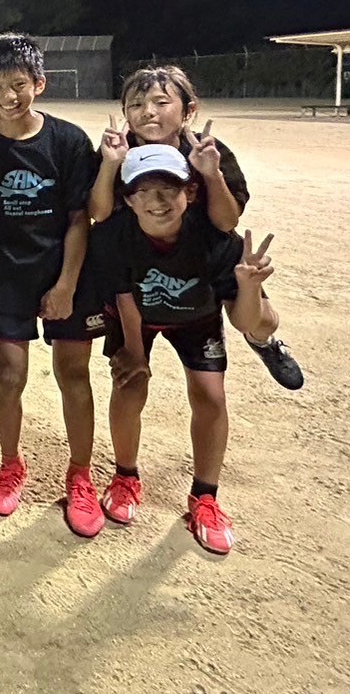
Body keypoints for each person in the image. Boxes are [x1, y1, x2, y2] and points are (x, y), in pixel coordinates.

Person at [97, 145, 282, 554]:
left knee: (211, 397)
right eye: (143, 191)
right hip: (138, 316)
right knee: (128, 387)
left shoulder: (217, 241)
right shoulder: (114, 233)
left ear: (191, 193)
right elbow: (123, 293)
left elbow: (242, 321)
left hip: (196, 318)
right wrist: (135, 354)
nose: (158, 200)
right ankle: (125, 476)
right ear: (128, 199)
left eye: (169, 188)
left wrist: (249, 287)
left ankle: (205, 496)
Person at [0, 33, 105, 537]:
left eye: (19, 84)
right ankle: (11, 465)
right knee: (9, 375)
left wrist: (65, 286)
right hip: (7, 275)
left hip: (67, 272)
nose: (8, 96)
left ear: (39, 83)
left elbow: (80, 218)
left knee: (74, 375)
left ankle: (80, 475)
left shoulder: (68, 141)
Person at [89, 65, 302, 390]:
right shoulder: (118, 151)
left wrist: (211, 173)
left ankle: (263, 343)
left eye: (161, 102)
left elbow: (226, 222)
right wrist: (109, 164)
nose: (148, 112)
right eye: (136, 104)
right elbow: (100, 214)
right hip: (141, 257)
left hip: (203, 252)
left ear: (189, 111)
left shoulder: (207, 150)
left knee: (263, 321)